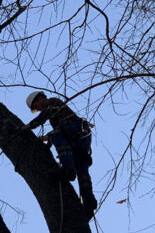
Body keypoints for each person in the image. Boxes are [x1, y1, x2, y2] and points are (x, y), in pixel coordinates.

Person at [13, 91, 98, 219]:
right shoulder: (58, 115)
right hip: (80, 138)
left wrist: (24, 128)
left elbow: (43, 119)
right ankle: (89, 203)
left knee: (55, 135)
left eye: (37, 106)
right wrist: (43, 139)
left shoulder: (52, 102)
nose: (39, 108)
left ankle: (68, 168)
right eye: (36, 108)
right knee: (82, 170)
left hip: (76, 130)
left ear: (40, 98)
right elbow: (62, 130)